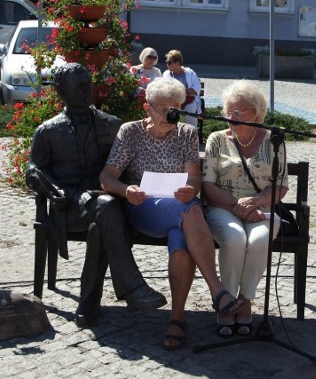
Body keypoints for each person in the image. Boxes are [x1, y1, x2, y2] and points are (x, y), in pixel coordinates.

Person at [99, 77, 244, 350]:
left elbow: (194, 178)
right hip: (143, 208)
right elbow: (106, 178)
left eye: (176, 107)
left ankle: (177, 318)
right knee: (189, 212)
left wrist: (191, 188)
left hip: (181, 210)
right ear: (147, 108)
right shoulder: (130, 132)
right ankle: (217, 290)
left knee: (181, 235)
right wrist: (126, 190)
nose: (170, 114)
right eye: (163, 108)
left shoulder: (186, 133)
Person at [26, 63, 166, 328]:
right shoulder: (48, 131)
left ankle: (89, 303)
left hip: (106, 204)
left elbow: (125, 167)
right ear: (61, 90)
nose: (87, 89)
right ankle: (131, 286)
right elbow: (33, 170)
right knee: (106, 208)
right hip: (68, 206)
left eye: (88, 83)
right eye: (80, 85)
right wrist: (52, 190)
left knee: (102, 221)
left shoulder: (111, 125)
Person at [201, 80, 288, 336]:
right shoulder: (216, 139)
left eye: (239, 112)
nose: (232, 116)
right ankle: (226, 301)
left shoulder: (274, 141)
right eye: (229, 111)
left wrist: (256, 202)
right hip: (222, 206)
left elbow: (281, 186)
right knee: (234, 238)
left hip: (261, 209)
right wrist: (236, 205)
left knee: (260, 238)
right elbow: (207, 184)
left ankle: (245, 299)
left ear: (256, 113)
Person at [161, 50, 202, 127]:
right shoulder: (166, 74)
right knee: (170, 110)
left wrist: (184, 91)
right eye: (166, 62)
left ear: (178, 63)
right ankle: (171, 131)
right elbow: (165, 89)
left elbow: (197, 87)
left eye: (169, 62)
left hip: (189, 100)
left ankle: (191, 132)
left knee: (191, 108)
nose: (167, 64)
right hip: (173, 100)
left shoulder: (190, 72)